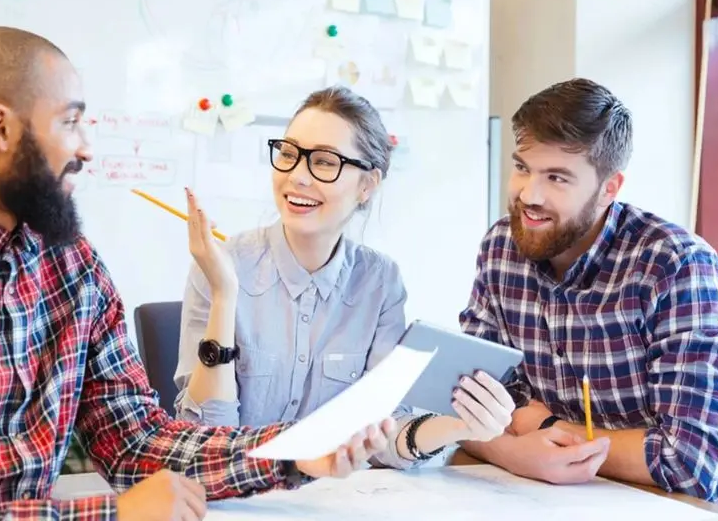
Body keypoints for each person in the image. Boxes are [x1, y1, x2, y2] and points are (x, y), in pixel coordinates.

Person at [0, 26, 397, 521]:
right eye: (71, 123)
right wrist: (110, 514)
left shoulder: (73, 266)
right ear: (1, 129)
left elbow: (136, 442)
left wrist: (294, 454)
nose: (87, 148)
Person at [456, 77, 718, 516]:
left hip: (705, 508)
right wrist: (520, 448)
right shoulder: (502, 246)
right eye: (523, 167)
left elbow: (689, 462)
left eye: (557, 178)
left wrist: (543, 426)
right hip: (566, 499)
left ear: (610, 188)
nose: (530, 195)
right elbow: (468, 402)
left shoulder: (676, 267)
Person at [172, 85, 516, 469]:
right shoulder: (222, 265)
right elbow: (205, 443)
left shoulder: (380, 283)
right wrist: (224, 294)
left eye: (323, 162)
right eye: (288, 154)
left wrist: (459, 426)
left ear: (367, 185)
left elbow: (382, 436)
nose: (297, 177)